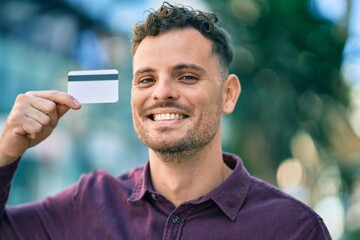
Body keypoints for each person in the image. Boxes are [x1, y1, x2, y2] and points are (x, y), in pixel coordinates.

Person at [0, 2, 331, 239]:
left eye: (186, 76)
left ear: (228, 94)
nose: (162, 93)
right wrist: (5, 154)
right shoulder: (91, 201)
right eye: (146, 79)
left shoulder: (294, 229)